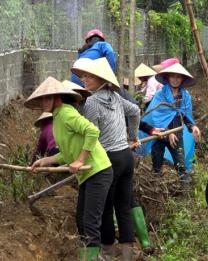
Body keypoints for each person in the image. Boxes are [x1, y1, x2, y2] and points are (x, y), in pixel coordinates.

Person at [25, 76, 113, 261]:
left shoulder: (66, 112)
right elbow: (67, 153)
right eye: (43, 99)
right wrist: (46, 161)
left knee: (90, 223)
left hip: (98, 170)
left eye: (48, 98)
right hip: (87, 175)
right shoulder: (57, 119)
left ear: (58, 97)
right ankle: (91, 258)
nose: (44, 102)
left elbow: (92, 131)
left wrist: (80, 160)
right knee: (81, 221)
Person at [71, 57, 140, 260]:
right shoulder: (116, 97)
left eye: (89, 76)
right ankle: (128, 254)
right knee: (124, 205)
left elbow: (91, 135)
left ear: (100, 79)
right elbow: (135, 111)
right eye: (83, 76)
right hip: (126, 158)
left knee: (106, 208)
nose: (84, 79)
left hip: (109, 159)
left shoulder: (91, 102)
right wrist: (133, 137)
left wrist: (80, 158)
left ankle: (108, 253)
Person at [142, 63, 201, 183]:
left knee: (181, 166)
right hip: (159, 136)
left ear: (182, 79)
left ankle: (185, 194)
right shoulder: (160, 95)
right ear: (168, 78)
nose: (175, 79)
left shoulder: (185, 96)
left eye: (178, 77)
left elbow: (185, 115)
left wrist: (193, 126)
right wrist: (167, 132)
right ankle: (157, 192)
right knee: (157, 166)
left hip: (177, 136)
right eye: (172, 76)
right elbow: (157, 117)